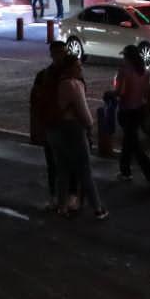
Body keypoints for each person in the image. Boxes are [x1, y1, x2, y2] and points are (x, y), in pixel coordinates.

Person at [49, 56, 107, 218]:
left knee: (62, 169)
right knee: (84, 170)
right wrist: (90, 126)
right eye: (78, 66)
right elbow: (84, 113)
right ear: (69, 68)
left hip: (55, 128)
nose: (80, 69)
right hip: (73, 129)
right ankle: (98, 208)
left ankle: (62, 207)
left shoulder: (55, 81)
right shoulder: (73, 84)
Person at [30, 41, 70, 208]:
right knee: (53, 163)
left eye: (63, 52)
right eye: (58, 53)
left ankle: (67, 196)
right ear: (52, 55)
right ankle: (56, 196)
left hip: (67, 126)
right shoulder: (44, 76)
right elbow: (34, 102)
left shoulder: (71, 74)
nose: (61, 56)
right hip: (52, 125)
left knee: (67, 163)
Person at [113, 44, 150, 182]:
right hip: (140, 110)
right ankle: (125, 171)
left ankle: (149, 171)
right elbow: (148, 91)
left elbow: (120, 92)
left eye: (124, 56)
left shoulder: (123, 71)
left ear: (127, 57)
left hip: (127, 110)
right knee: (129, 142)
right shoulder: (144, 72)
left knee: (133, 144)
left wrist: (110, 94)